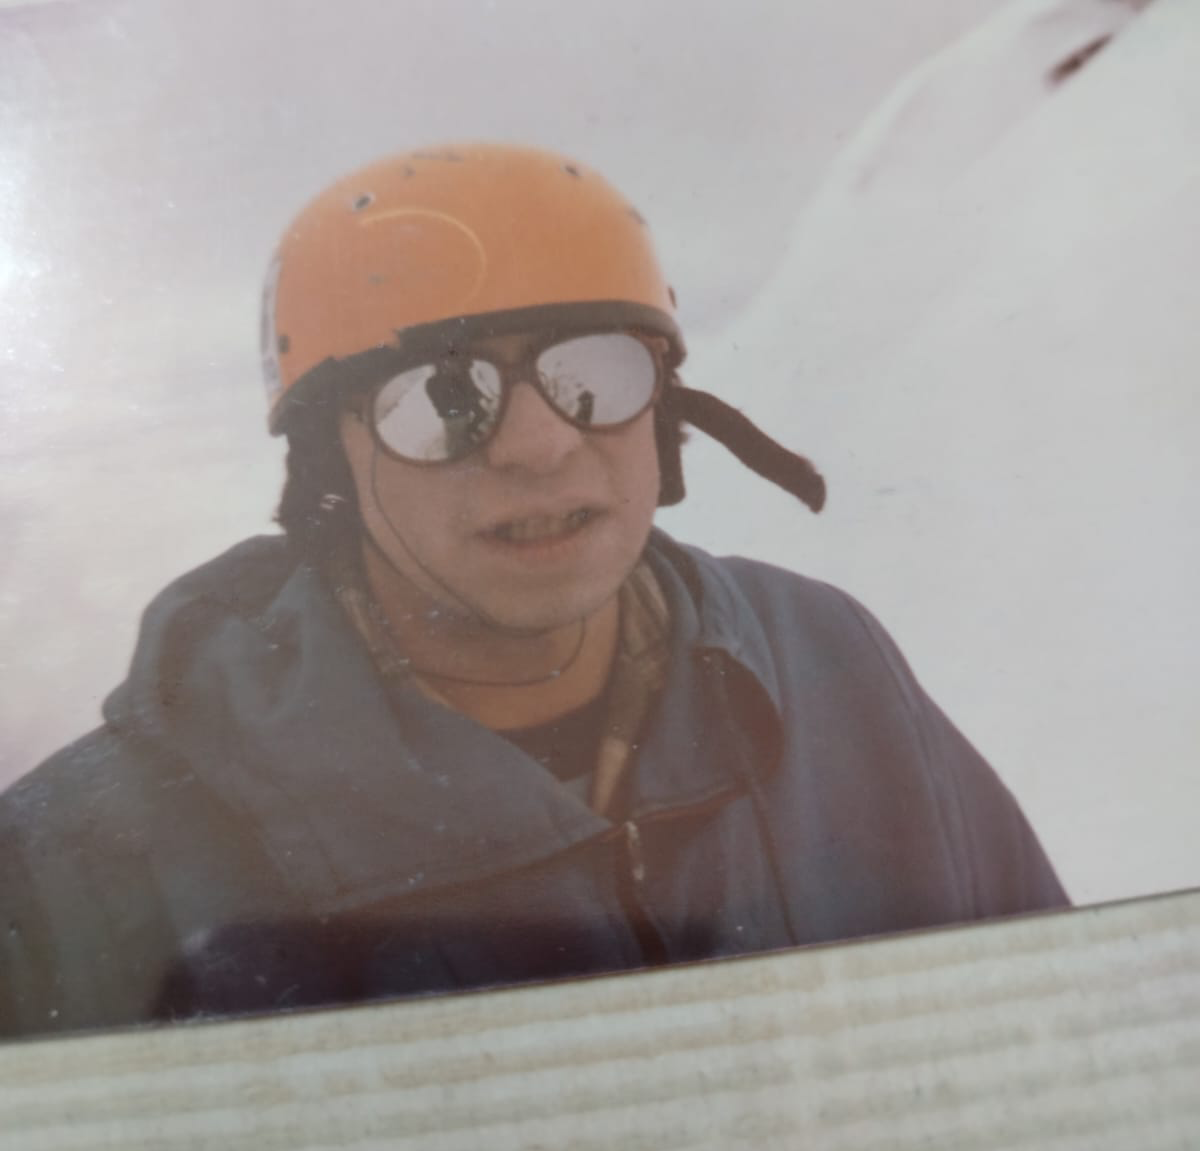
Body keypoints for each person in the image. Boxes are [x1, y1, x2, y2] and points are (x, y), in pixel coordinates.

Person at [0, 142, 1066, 1040]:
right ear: (331, 463)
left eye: (593, 371)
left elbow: (1053, 1035)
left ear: (665, 409)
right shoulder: (79, 866)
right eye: (443, 397)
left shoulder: (827, 665)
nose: (541, 444)